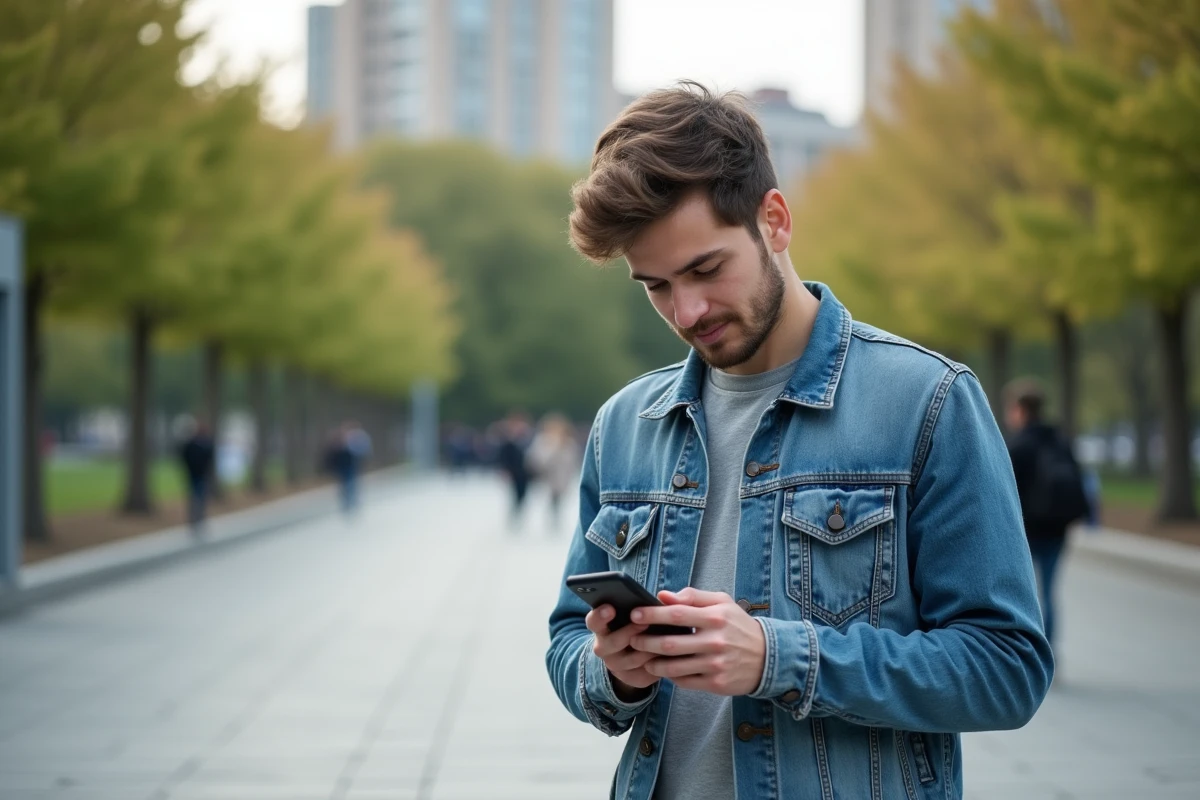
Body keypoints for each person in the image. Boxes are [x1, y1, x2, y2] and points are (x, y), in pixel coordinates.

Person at [545, 83, 1052, 800]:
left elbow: (1006, 670)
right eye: (655, 286)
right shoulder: (626, 424)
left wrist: (778, 657)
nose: (686, 310)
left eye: (706, 269)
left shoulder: (926, 402)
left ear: (774, 221)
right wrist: (614, 673)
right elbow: (568, 640)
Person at [1004, 378, 1090, 651]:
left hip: (1026, 532)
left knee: (1023, 595)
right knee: (1049, 594)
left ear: (1020, 410)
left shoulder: (1018, 446)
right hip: (1057, 529)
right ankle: (1049, 652)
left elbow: (1006, 491)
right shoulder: (1059, 440)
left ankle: (1027, 652)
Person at [527, 413, 583, 529]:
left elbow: (573, 461)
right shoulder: (543, 441)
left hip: (563, 477)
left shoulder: (569, 443)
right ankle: (549, 520)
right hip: (546, 477)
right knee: (547, 500)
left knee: (559, 500)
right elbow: (536, 460)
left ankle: (555, 520)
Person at [178, 419, 216, 534]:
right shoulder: (192, 444)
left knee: (201, 498)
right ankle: (194, 521)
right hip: (193, 474)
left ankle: (199, 520)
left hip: (201, 474)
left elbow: (209, 458)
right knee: (195, 498)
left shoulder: (206, 444)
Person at [496, 411, 533, 526]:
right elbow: (503, 457)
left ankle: (518, 514)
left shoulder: (528, 439)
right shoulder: (509, 441)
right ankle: (514, 516)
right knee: (515, 495)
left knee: (523, 495)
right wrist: (504, 470)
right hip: (514, 472)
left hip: (526, 473)